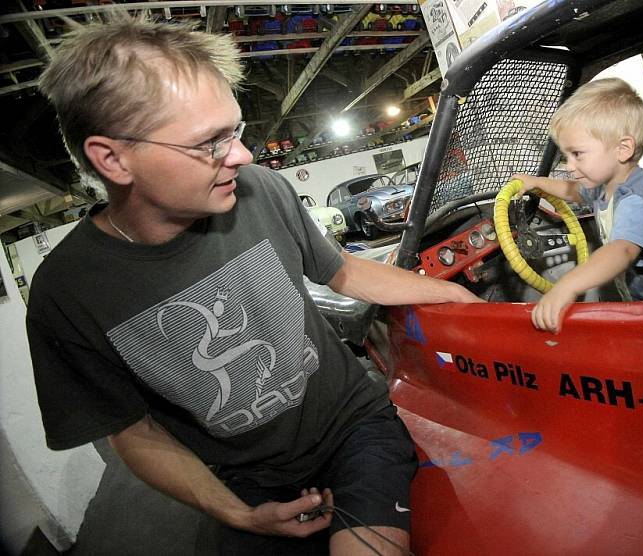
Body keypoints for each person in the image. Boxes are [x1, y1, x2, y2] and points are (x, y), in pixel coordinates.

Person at [27, 14, 483, 555]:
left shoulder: (259, 190)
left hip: (354, 429)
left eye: (235, 131)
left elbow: (345, 271)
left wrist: (450, 294)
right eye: (209, 143)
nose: (243, 155)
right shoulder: (67, 294)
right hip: (242, 481)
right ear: (113, 158)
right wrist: (238, 513)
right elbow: (134, 432)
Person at [513, 77, 643, 333]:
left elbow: (621, 251)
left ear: (623, 150)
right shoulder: (604, 185)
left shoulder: (636, 202)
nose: (569, 166)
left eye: (577, 154)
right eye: (566, 156)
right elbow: (572, 192)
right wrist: (536, 183)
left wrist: (568, 285)